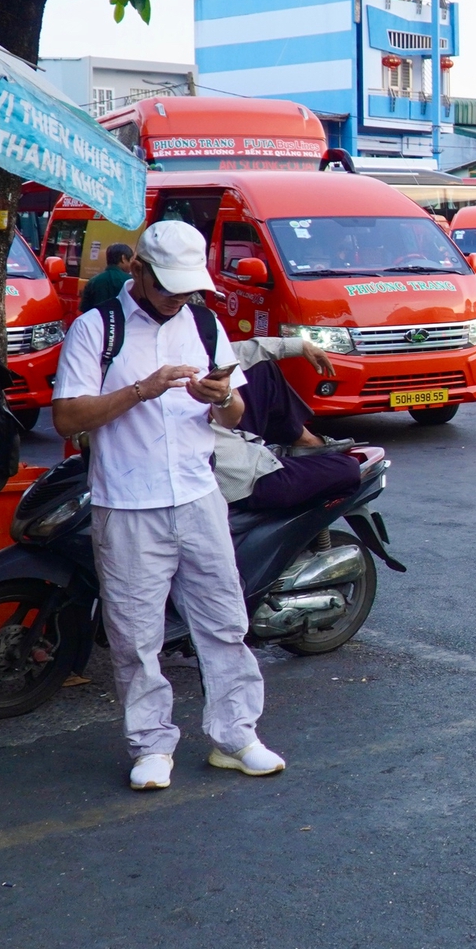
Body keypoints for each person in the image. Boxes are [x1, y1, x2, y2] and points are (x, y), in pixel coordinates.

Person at [53, 220, 285, 791]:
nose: (178, 299)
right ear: (137, 271)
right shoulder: (96, 329)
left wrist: (221, 396)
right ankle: (151, 745)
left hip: (198, 494)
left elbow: (233, 416)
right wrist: (142, 389)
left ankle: (236, 736)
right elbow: (67, 417)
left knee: (226, 623)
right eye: (168, 287)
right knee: (135, 636)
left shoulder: (205, 324)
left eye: (187, 288)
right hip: (127, 503)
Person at [212, 336, 362, 510]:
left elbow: (227, 357)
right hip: (237, 478)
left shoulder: (185, 350)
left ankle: (306, 441)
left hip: (225, 445)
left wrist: (296, 345)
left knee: (261, 367)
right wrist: (224, 401)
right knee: (349, 468)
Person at [79, 241, 134, 312]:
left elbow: (84, 308)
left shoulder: (93, 281)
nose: (132, 264)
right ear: (123, 258)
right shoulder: (130, 281)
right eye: (131, 260)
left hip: (96, 321)